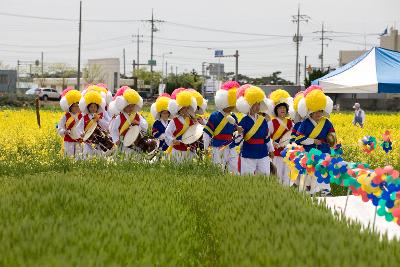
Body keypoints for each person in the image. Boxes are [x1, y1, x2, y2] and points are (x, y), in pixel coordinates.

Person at [296, 87, 335, 196]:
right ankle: (307, 191)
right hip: (309, 152)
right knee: (309, 173)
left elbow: (332, 134)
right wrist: (313, 141)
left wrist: (332, 138)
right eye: (316, 111)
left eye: (320, 111)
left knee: (324, 170)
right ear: (310, 112)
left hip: (324, 150)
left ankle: (325, 191)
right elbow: (298, 138)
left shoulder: (327, 122)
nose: (318, 114)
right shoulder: (305, 123)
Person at [203, 81, 242, 174]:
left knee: (234, 170)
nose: (231, 107)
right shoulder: (214, 115)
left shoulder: (234, 116)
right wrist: (205, 148)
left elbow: (236, 134)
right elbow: (207, 133)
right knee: (218, 170)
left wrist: (239, 132)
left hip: (231, 146)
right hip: (217, 147)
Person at [236, 85, 274, 176]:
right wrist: (240, 133)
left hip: (263, 152)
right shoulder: (244, 120)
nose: (257, 106)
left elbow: (267, 137)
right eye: (254, 104)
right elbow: (237, 141)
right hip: (248, 152)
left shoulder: (263, 120)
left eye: (258, 104)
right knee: (247, 178)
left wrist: (271, 150)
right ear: (248, 105)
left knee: (265, 177)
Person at [266, 89, 294, 186]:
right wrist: (272, 143)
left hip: (287, 153)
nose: (282, 110)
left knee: (287, 175)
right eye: (280, 108)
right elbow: (266, 137)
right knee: (276, 174)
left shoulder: (291, 123)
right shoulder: (271, 123)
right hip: (276, 153)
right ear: (276, 110)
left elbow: (293, 137)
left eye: (284, 108)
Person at [109, 88, 148, 154]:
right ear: (124, 105)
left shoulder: (137, 115)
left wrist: (138, 124)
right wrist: (116, 140)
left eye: (133, 106)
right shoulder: (119, 116)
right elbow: (113, 129)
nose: (131, 108)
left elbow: (144, 126)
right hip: (123, 143)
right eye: (129, 106)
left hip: (136, 142)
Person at [165, 90, 197, 162]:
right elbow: (167, 133)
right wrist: (173, 140)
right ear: (179, 109)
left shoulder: (192, 121)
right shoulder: (174, 121)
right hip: (177, 149)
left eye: (186, 108)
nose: (185, 110)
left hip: (189, 149)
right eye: (183, 108)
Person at [77, 90, 110, 158]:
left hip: (100, 141)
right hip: (88, 141)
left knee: (100, 156)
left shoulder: (100, 117)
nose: (93, 108)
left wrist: (99, 120)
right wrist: (81, 133)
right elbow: (79, 127)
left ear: (97, 108)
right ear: (88, 108)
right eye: (91, 107)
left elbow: (107, 126)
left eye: (95, 107)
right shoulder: (84, 117)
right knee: (87, 156)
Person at [57, 88, 83, 158]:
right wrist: (63, 131)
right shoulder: (65, 116)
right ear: (70, 107)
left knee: (79, 157)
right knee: (69, 157)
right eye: (74, 106)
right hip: (68, 139)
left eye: (78, 106)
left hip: (78, 139)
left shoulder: (81, 116)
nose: (76, 108)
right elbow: (60, 127)